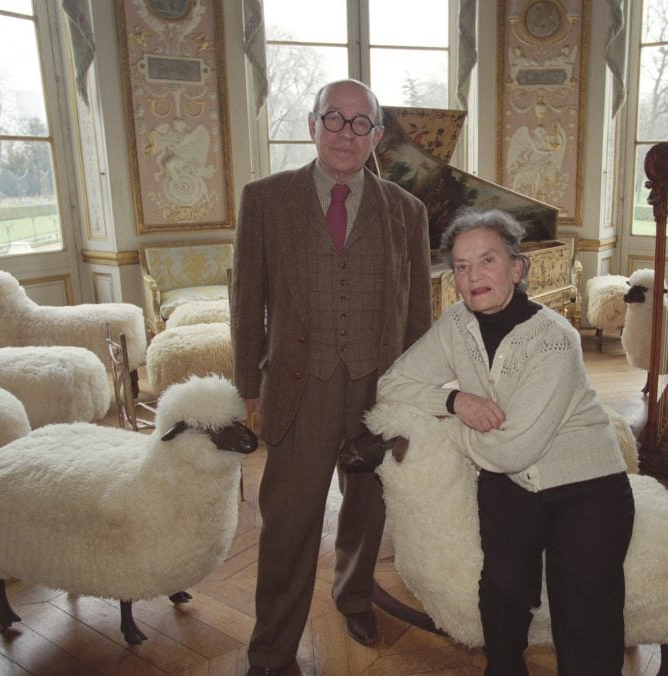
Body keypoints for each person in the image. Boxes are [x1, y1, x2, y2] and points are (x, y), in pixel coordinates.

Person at [376, 209, 635, 675]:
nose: (474, 275)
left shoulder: (556, 338)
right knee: (501, 591)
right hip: (509, 482)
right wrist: (455, 400)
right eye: (460, 266)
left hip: (587, 485)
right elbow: (391, 385)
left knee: (584, 613)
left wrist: (448, 430)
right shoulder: (456, 324)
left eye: (487, 260)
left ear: (517, 269)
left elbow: (517, 449)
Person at [230, 79, 432, 674]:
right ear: (312, 123)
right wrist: (249, 385)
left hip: (379, 387)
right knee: (289, 520)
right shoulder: (265, 200)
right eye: (334, 119)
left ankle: (355, 595)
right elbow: (247, 300)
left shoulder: (408, 211)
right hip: (298, 382)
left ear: (377, 135)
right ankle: (271, 649)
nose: (347, 133)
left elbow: (418, 311)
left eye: (360, 122)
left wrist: (411, 396)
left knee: (367, 506)